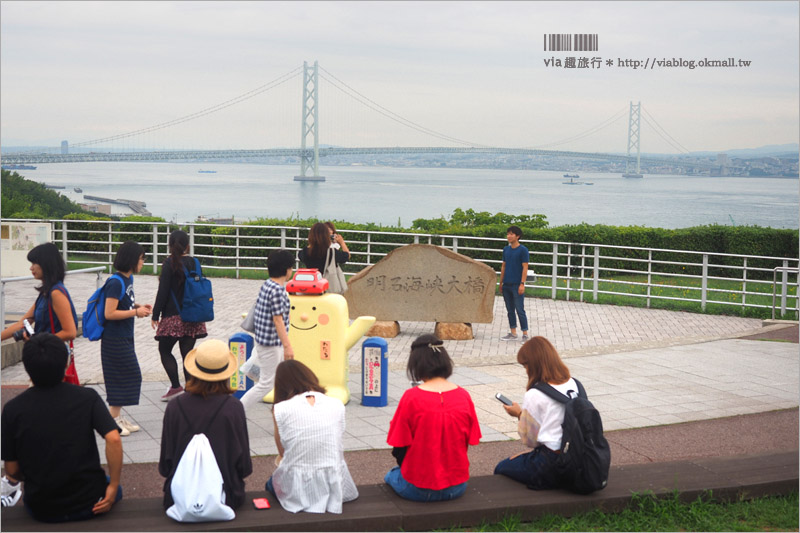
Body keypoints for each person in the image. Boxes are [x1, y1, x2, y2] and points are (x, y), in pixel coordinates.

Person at [1, 334, 122, 522]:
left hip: (42, 507)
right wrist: (113, 486)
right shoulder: (87, 397)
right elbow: (113, 438)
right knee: (113, 487)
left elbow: (12, 470)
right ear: (66, 364)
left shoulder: (12, 410)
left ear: (26, 367)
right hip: (90, 501)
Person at [385, 334, 481, 502]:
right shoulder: (463, 396)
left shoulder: (411, 397)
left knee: (392, 474)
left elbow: (399, 444)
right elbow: (471, 439)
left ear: (416, 365)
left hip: (417, 488)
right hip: (457, 486)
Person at [158, 339, 252, 511]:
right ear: (226, 372)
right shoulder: (233, 408)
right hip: (226, 496)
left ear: (194, 369)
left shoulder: (174, 407)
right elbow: (245, 467)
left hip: (179, 497)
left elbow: (165, 467)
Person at [266, 360, 357, 513]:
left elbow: (282, 452)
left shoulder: (280, 409)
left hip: (298, 487)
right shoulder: (336, 404)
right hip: (335, 482)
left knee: (270, 484)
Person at [494, 336, 578, 490]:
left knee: (501, 468)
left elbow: (531, 441)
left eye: (525, 365)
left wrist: (520, 416)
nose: (526, 370)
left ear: (533, 365)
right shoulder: (574, 384)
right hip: (577, 455)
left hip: (550, 462)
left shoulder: (535, 394)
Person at [101, 241, 152, 436]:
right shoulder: (115, 281)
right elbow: (109, 313)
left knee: (125, 375)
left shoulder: (127, 279)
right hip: (114, 338)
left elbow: (124, 302)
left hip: (124, 336)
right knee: (126, 375)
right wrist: (135, 312)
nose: (143, 262)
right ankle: (112, 420)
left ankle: (116, 417)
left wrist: (138, 306)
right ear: (132, 260)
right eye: (141, 259)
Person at [151, 230, 208, 401]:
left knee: (164, 350)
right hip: (194, 316)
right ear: (188, 246)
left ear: (169, 245)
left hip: (173, 317)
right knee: (187, 354)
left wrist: (155, 314)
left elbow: (163, 291)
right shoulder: (195, 262)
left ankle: (176, 387)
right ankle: (191, 391)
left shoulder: (170, 263)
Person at [239, 249, 295, 413]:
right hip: (272, 344)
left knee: (280, 380)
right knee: (266, 384)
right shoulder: (278, 290)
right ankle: (236, 410)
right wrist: (287, 346)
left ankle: (281, 413)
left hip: (264, 340)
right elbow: (277, 319)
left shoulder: (267, 284)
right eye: (291, 268)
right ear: (286, 270)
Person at [1, 242, 78, 343]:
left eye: (34, 263)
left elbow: (70, 332)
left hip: (51, 354)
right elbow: (23, 323)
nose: (31, 268)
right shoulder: (46, 292)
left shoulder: (56, 293)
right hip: (42, 352)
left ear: (46, 264)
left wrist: (38, 341)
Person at [499, 225, 530, 342]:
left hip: (517, 284)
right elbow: (504, 266)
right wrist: (500, 282)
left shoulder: (523, 250)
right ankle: (513, 332)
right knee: (510, 309)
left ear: (517, 236)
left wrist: (522, 283)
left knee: (520, 309)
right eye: (508, 234)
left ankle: (525, 333)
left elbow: (525, 268)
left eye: (511, 234)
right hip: (506, 283)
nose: (509, 236)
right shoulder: (506, 249)